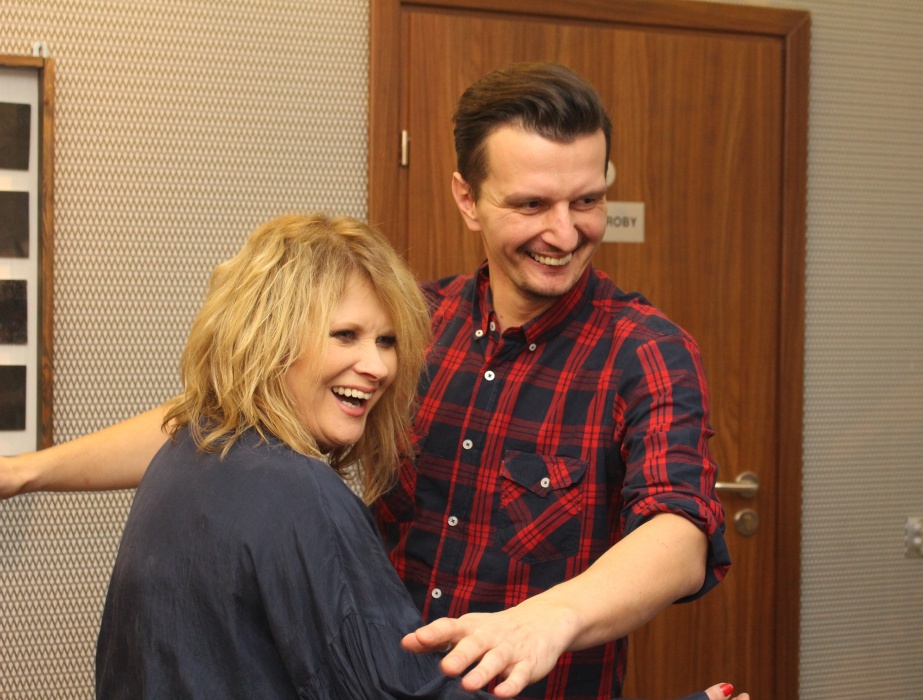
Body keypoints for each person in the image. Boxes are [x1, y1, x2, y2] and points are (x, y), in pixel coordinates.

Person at [2, 65, 740, 699]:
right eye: (530, 205)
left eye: (586, 201)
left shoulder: (644, 350)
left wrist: (552, 618)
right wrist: (27, 472)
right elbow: (231, 410)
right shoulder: (409, 325)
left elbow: (679, 534)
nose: (564, 232)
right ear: (467, 198)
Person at [94, 213, 497, 698]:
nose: (377, 367)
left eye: (386, 341)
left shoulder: (184, 451)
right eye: (345, 335)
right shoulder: (300, 494)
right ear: (270, 337)